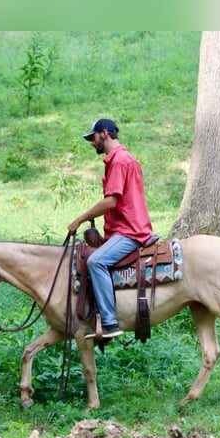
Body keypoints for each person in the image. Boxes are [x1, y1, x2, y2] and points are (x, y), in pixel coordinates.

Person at [68, 118, 154, 339]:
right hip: (125, 228)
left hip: (130, 232)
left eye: (93, 137)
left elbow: (111, 202)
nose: (92, 142)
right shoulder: (124, 159)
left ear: (104, 133)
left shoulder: (119, 161)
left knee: (95, 261)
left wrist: (80, 219)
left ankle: (109, 322)